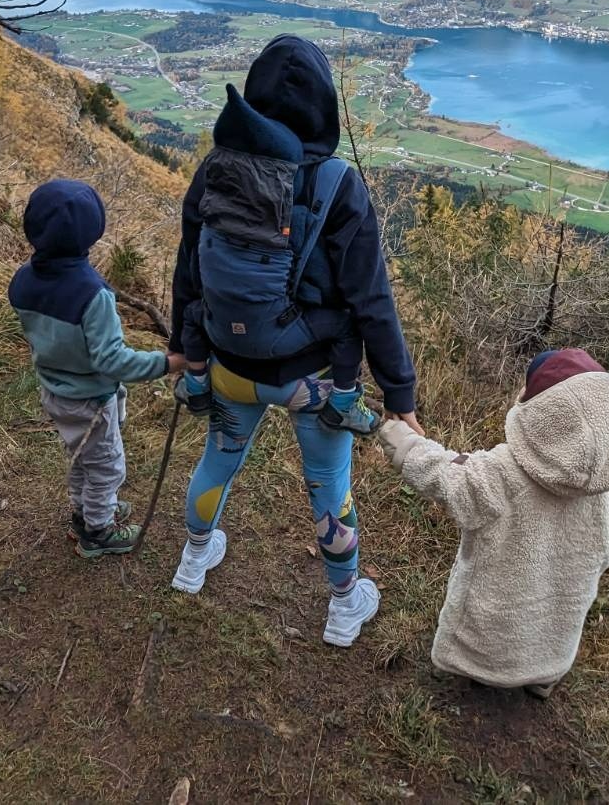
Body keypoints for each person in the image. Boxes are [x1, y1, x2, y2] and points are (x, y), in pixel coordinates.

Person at [168, 34, 423, 647]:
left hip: (228, 363)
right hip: (311, 378)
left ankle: (193, 560)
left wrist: (183, 342)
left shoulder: (218, 167)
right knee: (328, 485)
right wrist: (400, 392)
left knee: (217, 460)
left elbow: (189, 264)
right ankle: (343, 605)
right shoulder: (338, 184)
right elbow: (370, 300)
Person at [376, 349, 609, 698]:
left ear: (542, 411)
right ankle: (542, 676)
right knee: (562, 615)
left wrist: (405, 444)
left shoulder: (507, 473)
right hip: (558, 634)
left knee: (492, 630)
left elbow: (447, 477)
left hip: (491, 633)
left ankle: (484, 673)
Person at [9, 179, 184, 558]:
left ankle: (85, 510)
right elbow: (111, 359)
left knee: (80, 458)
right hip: (90, 400)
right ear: (94, 231)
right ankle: (98, 531)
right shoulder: (92, 294)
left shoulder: (22, 281)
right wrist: (166, 363)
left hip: (55, 390)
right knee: (106, 466)